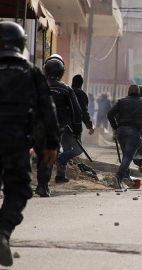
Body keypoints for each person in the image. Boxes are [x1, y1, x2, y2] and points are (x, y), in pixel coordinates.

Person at [0, 21, 59, 269]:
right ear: (21, 45)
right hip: (18, 142)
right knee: (19, 190)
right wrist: (51, 144)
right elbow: (47, 110)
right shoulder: (32, 72)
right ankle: (3, 233)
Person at [34, 54, 82, 197]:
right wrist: (77, 132)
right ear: (62, 73)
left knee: (41, 155)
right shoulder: (66, 89)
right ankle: (42, 185)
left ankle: (42, 184)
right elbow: (77, 113)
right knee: (49, 157)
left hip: (36, 128)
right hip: (55, 129)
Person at [107, 85, 142, 191]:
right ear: (139, 93)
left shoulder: (121, 101)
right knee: (128, 157)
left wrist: (116, 128)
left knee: (126, 156)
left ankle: (125, 177)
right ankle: (119, 177)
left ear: (128, 92)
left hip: (121, 131)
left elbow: (110, 114)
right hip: (135, 132)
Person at [55, 74, 95, 182]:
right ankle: (60, 158)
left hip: (63, 126)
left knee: (67, 150)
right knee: (77, 150)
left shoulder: (65, 91)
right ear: (81, 84)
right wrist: (90, 126)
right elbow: (83, 112)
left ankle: (60, 176)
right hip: (74, 127)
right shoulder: (81, 94)